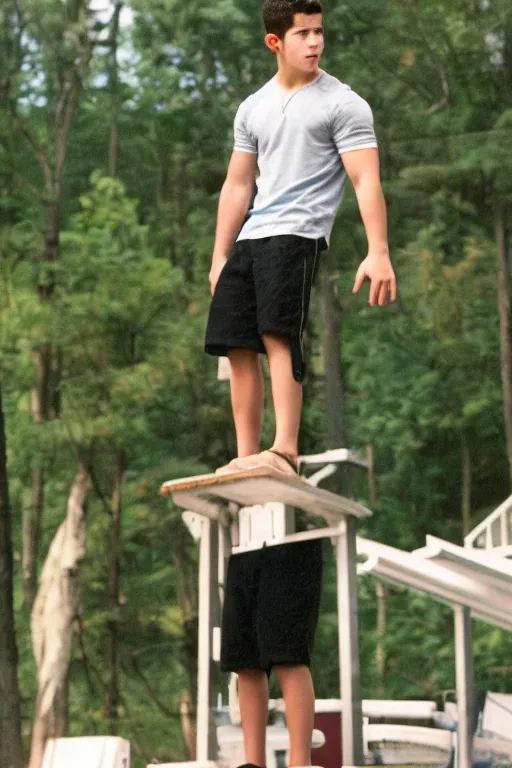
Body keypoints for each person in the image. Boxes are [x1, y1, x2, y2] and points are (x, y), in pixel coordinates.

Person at [205, 2, 396, 767]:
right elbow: (236, 182)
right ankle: (248, 448)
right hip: (250, 240)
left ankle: (282, 444)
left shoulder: (343, 103)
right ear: (275, 40)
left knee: (282, 336)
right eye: (304, 34)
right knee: (235, 345)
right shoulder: (256, 105)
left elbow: (365, 177)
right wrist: (219, 255)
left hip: (299, 235)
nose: (316, 44)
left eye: (323, 32)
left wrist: (378, 248)